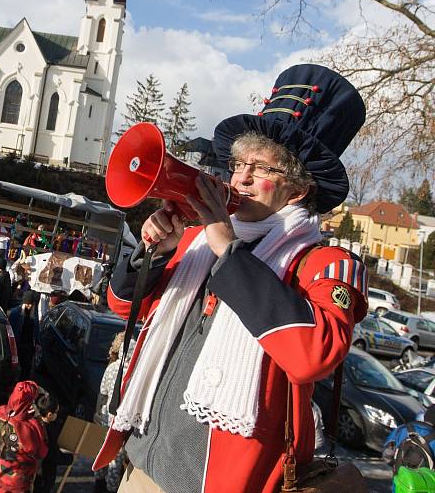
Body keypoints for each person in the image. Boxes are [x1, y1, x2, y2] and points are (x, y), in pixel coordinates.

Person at [93, 65, 369, 493]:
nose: (238, 178)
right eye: (238, 164)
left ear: (296, 190)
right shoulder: (197, 243)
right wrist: (153, 253)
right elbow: (121, 306)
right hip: (142, 468)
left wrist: (230, 252)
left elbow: (314, 355)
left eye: (258, 169)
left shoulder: (326, 263)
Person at [0, 380, 48, 493]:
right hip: (20, 476)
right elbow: (41, 451)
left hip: (2, 469)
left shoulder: (1, 412)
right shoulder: (30, 426)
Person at [93, 332, 132, 493]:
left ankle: (98, 484)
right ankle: (111, 488)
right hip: (123, 422)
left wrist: (97, 413)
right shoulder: (134, 373)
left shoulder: (112, 368)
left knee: (102, 451)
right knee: (116, 458)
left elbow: (102, 394)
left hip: (107, 418)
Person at [33, 393, 65, 493]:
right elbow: (53, 454)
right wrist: (69, 459)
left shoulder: (34, 423)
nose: (58, 414)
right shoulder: (49, 431)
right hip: (45, 473)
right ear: (49, 415)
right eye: (56, 412)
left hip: (34, 471)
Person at [8, 290, 40, 379]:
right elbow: (12, 329)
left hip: (29, 345)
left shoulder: (34, 314)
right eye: (27, 304)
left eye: (31, 304)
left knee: (26, 368)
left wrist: (37, 342)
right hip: (18, 344)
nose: (29, 306)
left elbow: (36, 329)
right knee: (15, 368)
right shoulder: (15, 313)